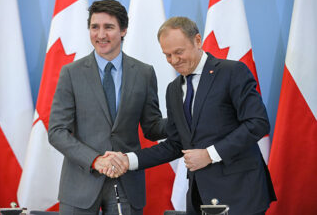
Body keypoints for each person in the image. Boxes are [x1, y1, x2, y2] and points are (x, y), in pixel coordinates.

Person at [103, 17, 276, 215]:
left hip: (240, 194)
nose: (174, 61)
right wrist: (128, 160)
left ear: (197, 40)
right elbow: (176, 144)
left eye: (179, 52)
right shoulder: (174, 90)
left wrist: (210, 155)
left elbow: (258, 123)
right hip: (200, 196)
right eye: (167, 55)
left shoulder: (232, 72)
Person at [48, 0, 167, 215]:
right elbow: (57, 132)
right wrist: (95, 160)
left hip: (126, 184)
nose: (100, 35)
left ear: (123, 30)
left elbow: (152, 127)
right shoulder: (71, 73)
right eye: (95, 27)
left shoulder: (144, 73)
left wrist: (187, 115)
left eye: (108, 27)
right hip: (79, 186)